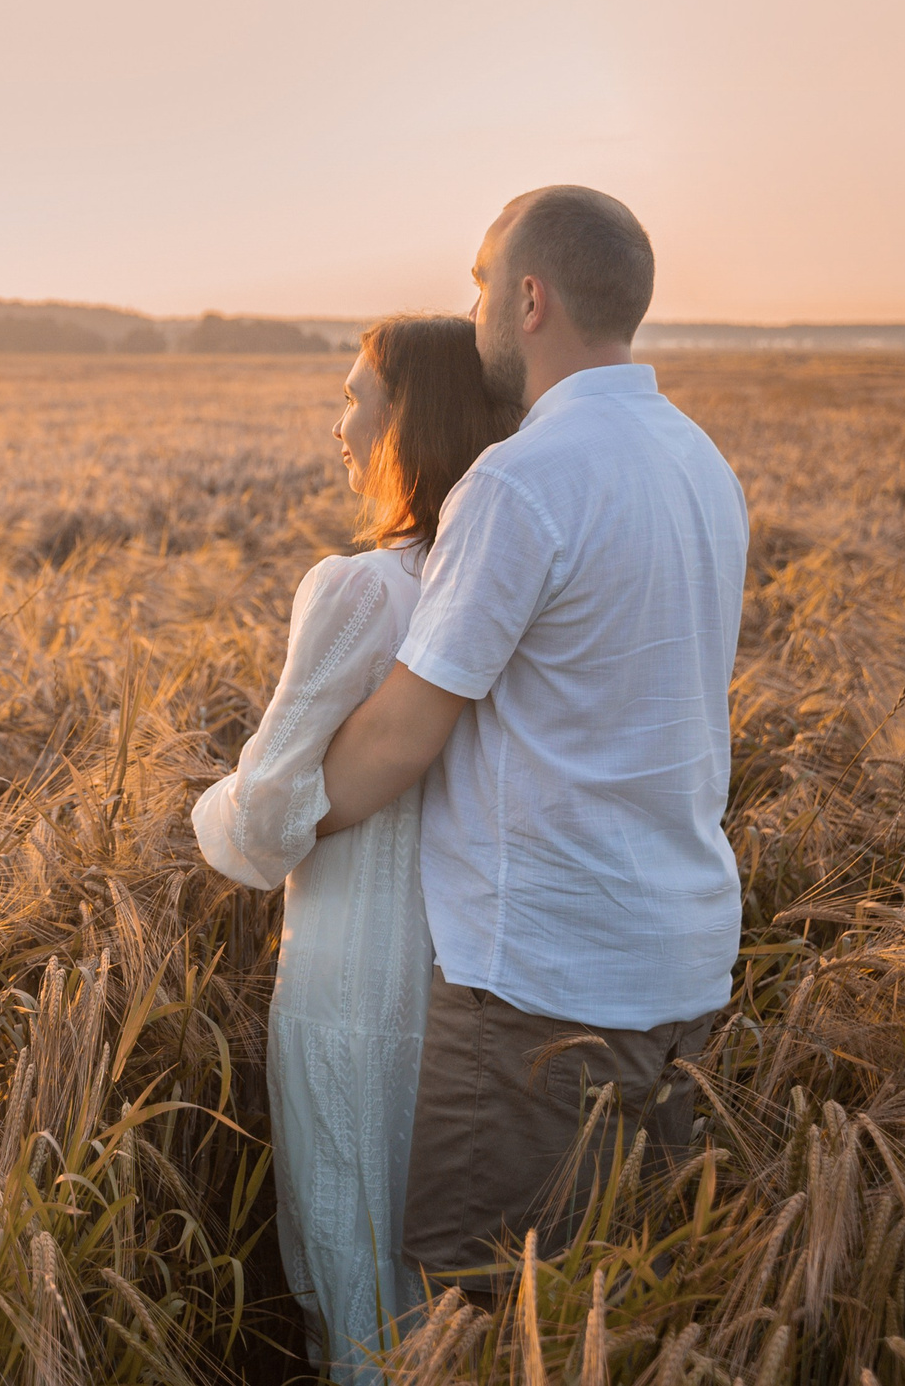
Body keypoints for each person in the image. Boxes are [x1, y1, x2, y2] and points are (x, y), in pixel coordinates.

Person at [317, 186, 749, 1298]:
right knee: (621, 1304)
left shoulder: (521, 480)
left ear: (527, 297)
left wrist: (264, 819)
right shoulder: (698, 461)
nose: (468, 312)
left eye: (475, 283)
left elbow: (405, 729)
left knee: (473, 1307)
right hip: (680, 963)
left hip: (540, 990)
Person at [190, 315, 518, 1380]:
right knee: (443, 1288)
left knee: (353, 1265)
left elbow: (263, 824)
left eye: (352, 400)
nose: (338, 426)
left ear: (401, 423)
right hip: (471, 985)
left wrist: (208, 807)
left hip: (347, 985)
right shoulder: (493, 580)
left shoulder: (359, 588)